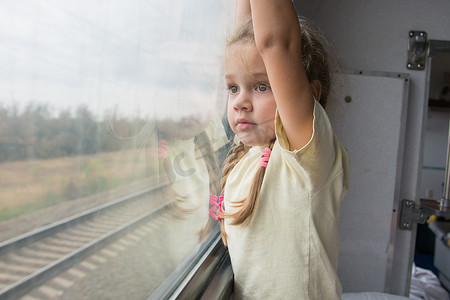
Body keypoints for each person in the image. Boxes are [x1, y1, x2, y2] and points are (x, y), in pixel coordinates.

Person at [215, 0, 350, 298]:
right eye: (233, 88)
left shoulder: (306, 159)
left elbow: (276, 43)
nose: (240, 102)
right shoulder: (248, 152)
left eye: (262, 86)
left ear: (310, 95)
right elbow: (247, 30)